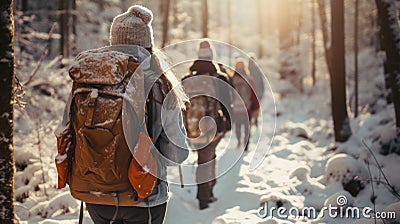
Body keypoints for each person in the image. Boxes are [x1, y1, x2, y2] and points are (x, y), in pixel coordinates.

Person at [56, 5, 189, 224]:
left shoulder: (89, 77)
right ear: (147, 43)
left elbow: (66, 130)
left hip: (94, 195)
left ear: (113, 41)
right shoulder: (157, 82)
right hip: (143, 196)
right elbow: (177, 153)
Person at [184, 40, 231, 210]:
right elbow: (227, 104)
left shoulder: (187, 79)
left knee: (204, 158)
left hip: (193, 128)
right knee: (206, 159)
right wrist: (228, 124)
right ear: (211, 56)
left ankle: (208, 191)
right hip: (213, 127)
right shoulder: (220, 79)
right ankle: (204, 196)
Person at [230, 58, 259, 151]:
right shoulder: (249, 79)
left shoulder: (231, 79)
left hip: (236, 108)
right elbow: (254, 94)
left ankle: (239, 141)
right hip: (247, 108)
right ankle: (246, 145)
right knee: (247, 127)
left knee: (238, 126)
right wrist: (256, 107)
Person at [247, 53, 265, 127]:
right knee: (257, 107)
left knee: (251, 106)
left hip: (250, 93)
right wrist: (262, 90)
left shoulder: (247, 69)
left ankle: (251, 120)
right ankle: (256, 119)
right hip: (258, 92)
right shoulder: (258, 69)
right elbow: (261, 81)